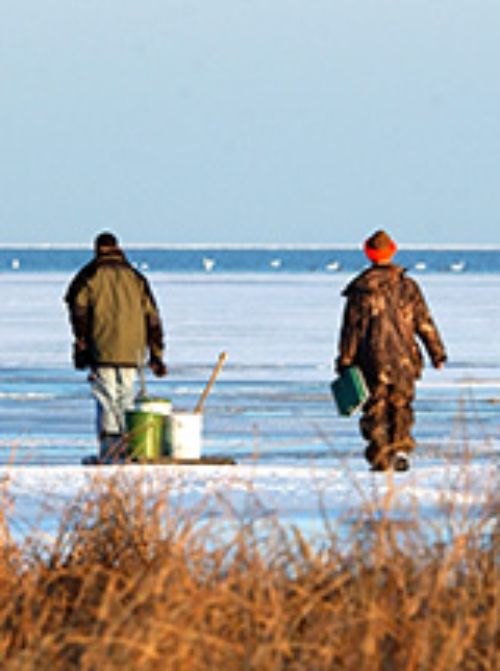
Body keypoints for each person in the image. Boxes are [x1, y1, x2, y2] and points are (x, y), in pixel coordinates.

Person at [335, 230, 447, 471]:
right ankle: (400, 449)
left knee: (376, 408)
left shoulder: (360, 291)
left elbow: (350, 330)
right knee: (401, 405)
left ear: (368, 253)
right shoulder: (407, 287)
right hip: (404, 359)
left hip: (370, 360)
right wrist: (437, 353)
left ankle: (381, 455)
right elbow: (423, 322)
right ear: (392, 251)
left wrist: (345, 360)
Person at [64, 232, 167, 461]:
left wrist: (81, 341)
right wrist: (156, 354)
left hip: (101, 347)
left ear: (97, 249)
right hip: (133, 350)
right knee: (126, 397)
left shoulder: (89, 275)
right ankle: (128, 446)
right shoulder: (135, 277)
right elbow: (152, 317)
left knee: (106, 397)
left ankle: (111, 449)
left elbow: (76, 306)